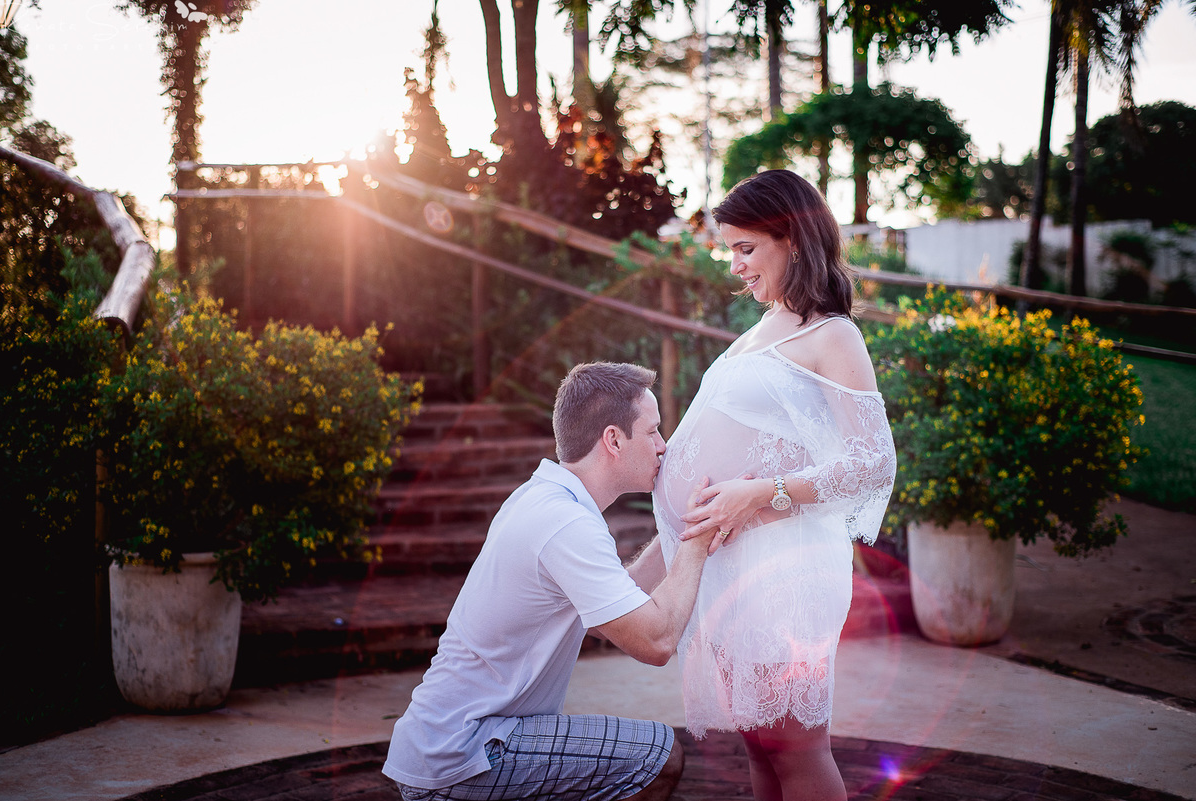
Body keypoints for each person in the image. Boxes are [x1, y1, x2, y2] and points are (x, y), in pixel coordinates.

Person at [652, 170, 898, 801]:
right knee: (761, 747)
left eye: (744, 248)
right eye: (729, 249)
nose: (733, 265)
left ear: (790, 238)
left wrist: (759, 494)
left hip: (782, 567)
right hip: (733, 567)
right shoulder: (767, 327)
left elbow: (872, 461)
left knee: (796, 749)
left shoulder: (831, 333)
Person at [384, 362, 720, 801]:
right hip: (463, 753)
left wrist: (677, 530)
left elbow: (612, 614)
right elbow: (655, 642)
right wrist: (698, 540)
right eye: (653, 431)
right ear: (613, 440)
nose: (664, 446)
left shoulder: (547, 498)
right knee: (656, 755)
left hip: (450, 746)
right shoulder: (565, 524)